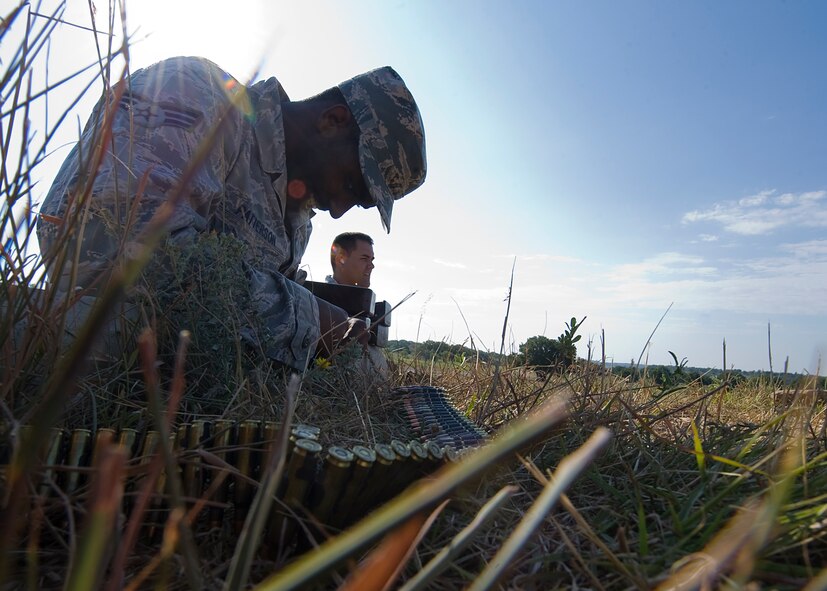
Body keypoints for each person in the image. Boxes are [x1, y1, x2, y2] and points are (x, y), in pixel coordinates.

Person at [37, 57, 426, 371]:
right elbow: (119, 243)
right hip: (93, 354)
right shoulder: (197, 92)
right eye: (353, 187)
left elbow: (250, 320)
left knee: (366, 370)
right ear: (333, 121)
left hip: (189, 376)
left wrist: (335, 329)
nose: (340, 212)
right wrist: (315, 320)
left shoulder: (298, 218)